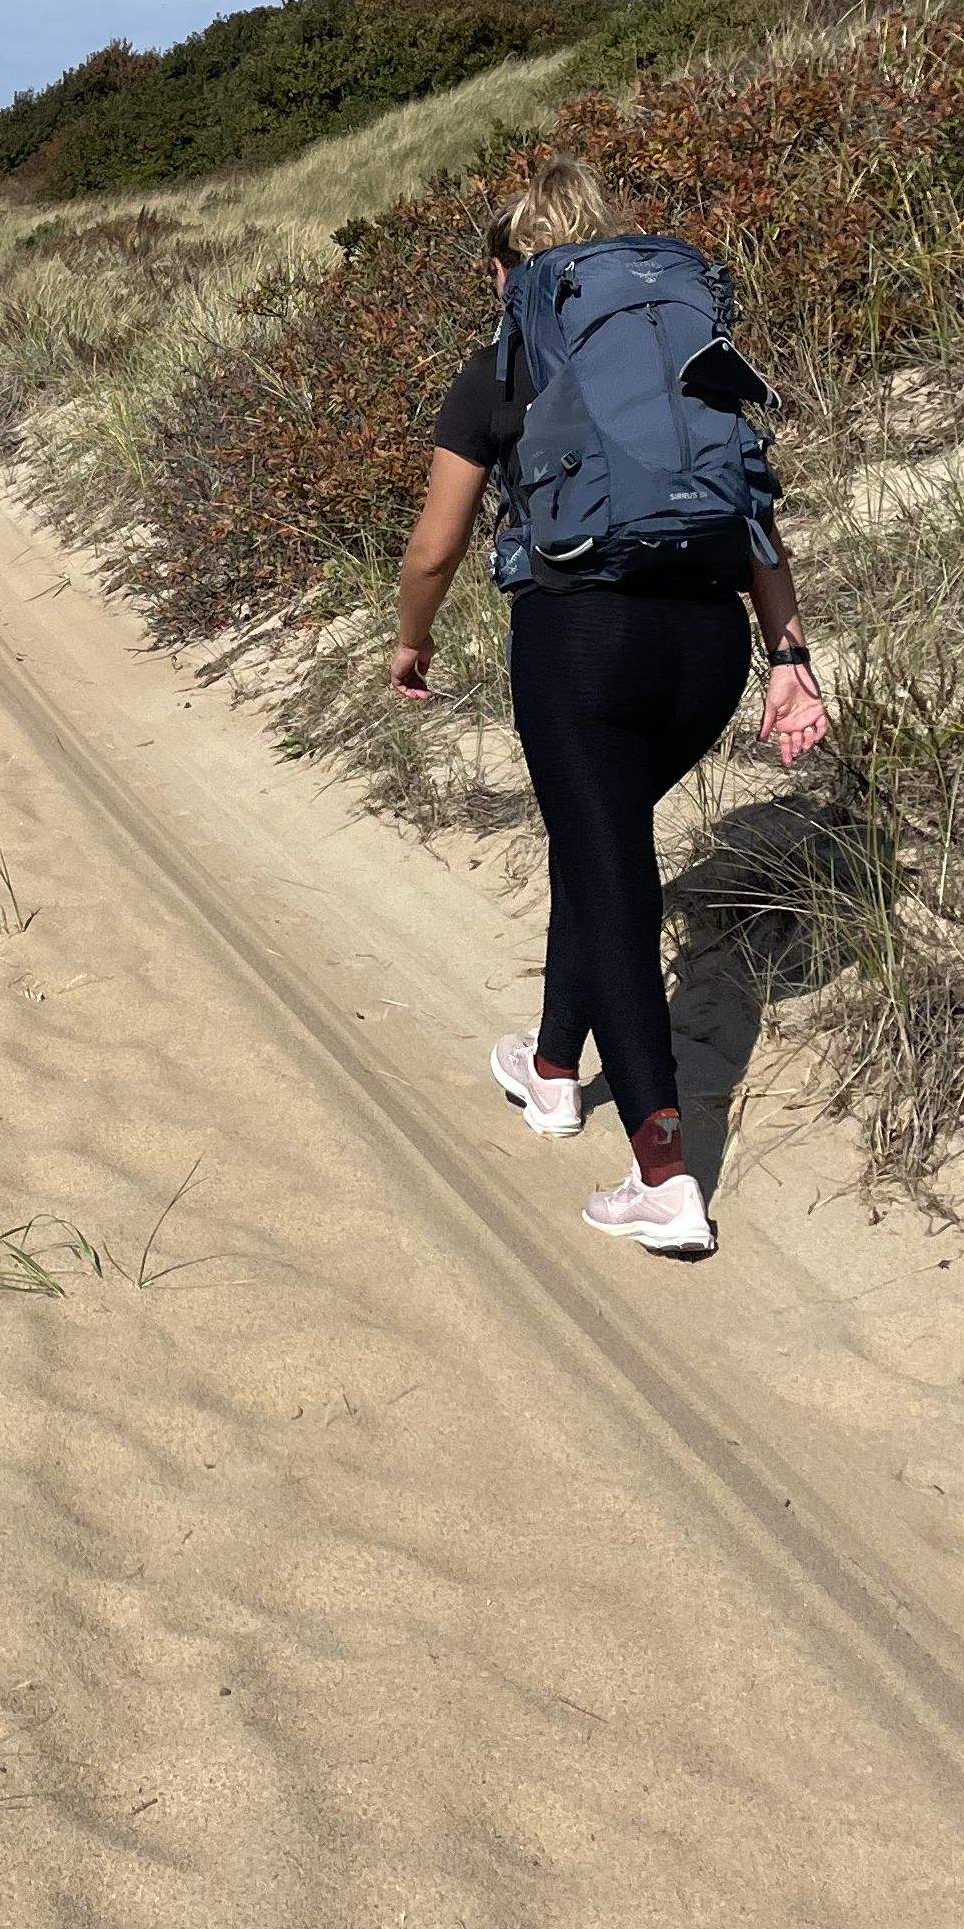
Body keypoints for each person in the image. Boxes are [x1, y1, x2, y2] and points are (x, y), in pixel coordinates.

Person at [389, 152, 828, 1255]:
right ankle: (547, 1069)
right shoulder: (682, 341)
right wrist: (789, 654)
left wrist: (410, 636)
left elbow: (436, 546)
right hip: (707, 646)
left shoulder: (501, 362)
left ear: (511, 270)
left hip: (581, 638)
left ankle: (664, 1174)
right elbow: (752, 501)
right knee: (602, 846)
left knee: (615, 879)